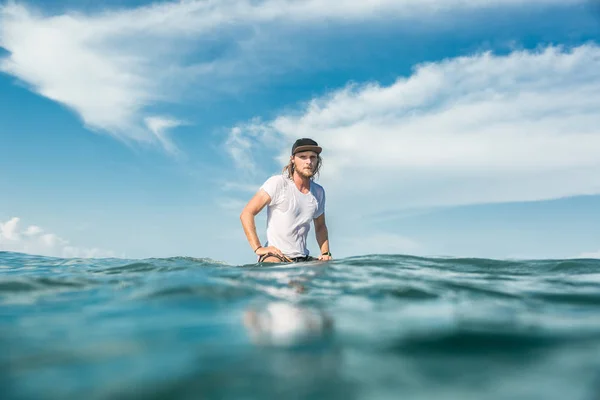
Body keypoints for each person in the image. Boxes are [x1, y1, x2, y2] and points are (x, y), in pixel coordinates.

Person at [240, 138, 332, 263]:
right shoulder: (278, 183)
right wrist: (258, 248)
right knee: (273, 266)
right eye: (303, 157)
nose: (308, 161)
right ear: (293, 159)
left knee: (328, 269)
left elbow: (320, 226)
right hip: (276, 256)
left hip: (302, 258)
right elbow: (247, 213)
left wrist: (325, 253)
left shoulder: (318, 192)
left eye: (313, 157)